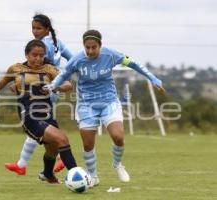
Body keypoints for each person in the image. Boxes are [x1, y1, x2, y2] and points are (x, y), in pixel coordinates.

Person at [44, 30, 165, 186]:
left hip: (109, 102)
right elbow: (64, 75)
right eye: (87, 47)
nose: (90, 51)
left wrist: (153, 78)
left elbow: (133, 63)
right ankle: (93, 176)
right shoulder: (77, 59)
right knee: (88, 144)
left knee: (118, 136)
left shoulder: (111, 55)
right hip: (86, 105)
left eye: (94, 47)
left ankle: (117, 165)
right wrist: (54, 85)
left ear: (100, 45)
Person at [0, 39, 77, 183]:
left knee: (52, 150)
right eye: (34, 55)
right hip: (29, 116)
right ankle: (77, 176)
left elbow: (68, 84)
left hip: (47, 114)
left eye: (41, 55)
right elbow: (0, 83)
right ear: (26, 55)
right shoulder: (16, 69)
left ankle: (47, 174)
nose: (38, 59)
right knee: (62, 139)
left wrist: (55, 87)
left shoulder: (49, 69)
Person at [5, 14, 72, 175]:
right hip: (51, 89)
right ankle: (24, 164)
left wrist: (19, 83)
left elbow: (36, 70)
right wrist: (63, 76)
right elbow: (72, 59)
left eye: (38, 28)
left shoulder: (41, 46)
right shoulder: (57, 42)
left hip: (41, 91)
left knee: (38, 126)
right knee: (42, 127)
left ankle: (58, 158)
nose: (35, 31)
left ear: (47, 29)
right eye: (33, 28)